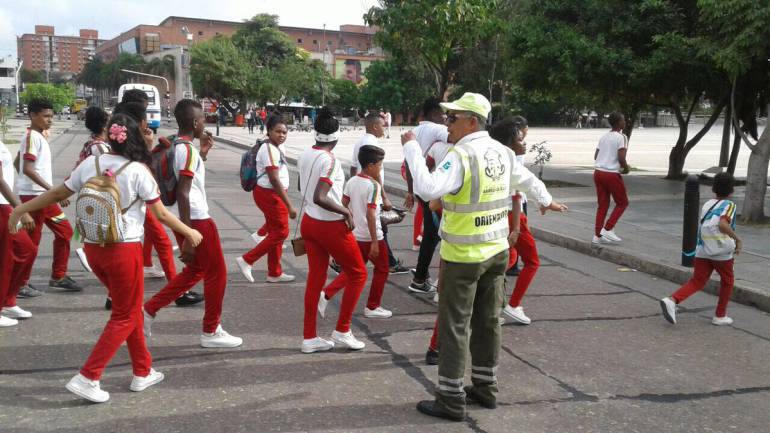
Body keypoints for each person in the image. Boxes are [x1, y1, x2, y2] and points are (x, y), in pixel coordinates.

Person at [8, 113, 203, 403]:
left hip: (93, 248)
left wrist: (19, 209)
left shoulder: (91, 163)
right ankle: (89, 376)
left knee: (130, 309)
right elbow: (160, 214)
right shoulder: (138, 170)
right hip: (124, 250)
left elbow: (58, 192)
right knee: (124, 314)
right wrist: (189, 232)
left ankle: (143, 370)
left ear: (111, 136)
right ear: (136, 137)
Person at [402, 92, 567, 421]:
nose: (446, 124)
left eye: (453, 118)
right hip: (496, 252)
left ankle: (450, 399)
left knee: (454, 326)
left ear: (472, 121)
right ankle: (485, 388)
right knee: (488, 322)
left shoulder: (461, 155)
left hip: (463, 255)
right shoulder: (503, 152)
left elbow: (427, 188)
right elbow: (528, 179)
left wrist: (410, 147)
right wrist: (544, 199)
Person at [143, 99, 243, 349]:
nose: (205, 123)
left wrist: (204, 153)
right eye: (203, 119)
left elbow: (187, 180)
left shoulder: (180, 147)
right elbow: (184, 192)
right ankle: (211, 330)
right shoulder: (186, 151)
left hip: (183, 218)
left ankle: (148, 310)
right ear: (195, 122)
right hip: (196, 219)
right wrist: (189, 236)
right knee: (217, 273)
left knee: (195, 270)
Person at [297, 107, 368, 354]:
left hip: (309, 222)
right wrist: (346, 212)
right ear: (337, 137)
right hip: (329, 225)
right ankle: (342, 330)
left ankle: (309, 338)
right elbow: (320, 196)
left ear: (315, 133)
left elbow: (303, 189)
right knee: (358, 273)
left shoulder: (305, 154)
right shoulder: (330, 160)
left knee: (315, 279)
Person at [15, 98, 81, 293]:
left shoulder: (37, 136)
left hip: (43, 197)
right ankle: (20, 283)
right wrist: (54, 192)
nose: (49, 120)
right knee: (32, 243)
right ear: (33, 116)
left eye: (51, 116)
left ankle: (58, 276)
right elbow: (27, 168)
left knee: (65, 232)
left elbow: (17, 162)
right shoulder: (31, 137)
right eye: (45, 116)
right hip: (35, 198)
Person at [320, 145, 393, 319]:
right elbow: (370, 214)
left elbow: (344, 204)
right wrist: (375, 241)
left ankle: (326, 293)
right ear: (370, 166)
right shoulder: (373, 185)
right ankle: (373, 306)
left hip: (356, 235)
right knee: (382, 269)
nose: (381, 169)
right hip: (371, 236)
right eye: (380, 165)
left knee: (353, 271)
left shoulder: (352, 181)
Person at [660, 172, 741, 326]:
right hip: (720, 251)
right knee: (727, 281)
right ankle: (720, 315)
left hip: (703, 248)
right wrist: (737, 238)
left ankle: (672, 300)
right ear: (732, 190)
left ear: (713, 188)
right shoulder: (730, 205)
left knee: (697, 281)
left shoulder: (708, 204)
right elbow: (723, 224)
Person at [235, 114, 297, 283]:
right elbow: (274, 179)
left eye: (285, 132)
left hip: (272, 193)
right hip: (270, 194)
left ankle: (274, 272)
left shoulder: (276, 147)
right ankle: (247, 260)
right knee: (281, 232)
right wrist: (289, 205)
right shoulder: (268, 149)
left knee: (276, 231)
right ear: (269, 131)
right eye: (278, 131)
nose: (282, 135)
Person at [489, 117, 539, 325]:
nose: (524, 142)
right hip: (512, 216)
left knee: (502, 262)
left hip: (499, 216)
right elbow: (516, 196)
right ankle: (514, 304)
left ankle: (493, 308)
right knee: (532, 262)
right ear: (510, 143)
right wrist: (517, 227)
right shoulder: (512, 160)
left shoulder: (494, 159)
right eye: (520, 139)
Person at [348, 112, 407, 275]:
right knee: (378, 227)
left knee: (365, 227)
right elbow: (376, 174)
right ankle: (389, 263)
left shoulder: (359, 141)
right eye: (383, 125)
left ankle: (389, 262)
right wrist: (385, 197)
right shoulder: (373, 144)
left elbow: (353, 167)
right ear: (374, 126)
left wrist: (353, 185)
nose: (385, 127)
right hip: (371, 189)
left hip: (359, 186)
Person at [404, 97, 450, 294]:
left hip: (421, 187)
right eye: (444, 114)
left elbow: (408, 162)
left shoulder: (413, 132)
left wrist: (410, 190)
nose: (446, 118)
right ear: (434, 113)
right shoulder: (437, 130)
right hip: (435, 190)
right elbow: (462, 137)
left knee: (432, 233)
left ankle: (421, 276)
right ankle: (422, 278)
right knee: (439, 234)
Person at [0, 138, 37, 327]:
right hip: (3, 206)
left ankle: (8, 301)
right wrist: (19, 209)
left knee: (25, 250)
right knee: (7, 258)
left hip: (5, 205)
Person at [592, 112, 629, 244]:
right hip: (611, 173)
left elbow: (596, 156)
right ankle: (607, 228)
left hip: (598, 172)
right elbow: (621, 157)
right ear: (619, 123)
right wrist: (626, 167)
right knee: (622, 202)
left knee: (602, 205)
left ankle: (597, 236)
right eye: (623, 120)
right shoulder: (622, 137)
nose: (624, 122)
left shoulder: (604, 137)